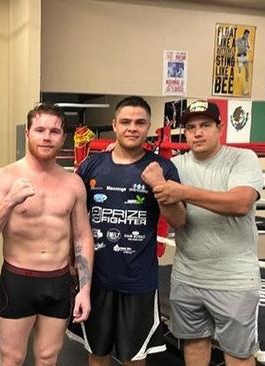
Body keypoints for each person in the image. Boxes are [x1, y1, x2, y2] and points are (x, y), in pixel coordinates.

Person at [144, 100, 263, 366]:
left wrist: (183, 192)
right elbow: (177, 221)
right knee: (194, 346)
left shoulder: (242, 158)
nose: (198, 133)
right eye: (191, 127)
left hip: (234, 280)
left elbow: (240, 203)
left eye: (205, 125)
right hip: (188, 276)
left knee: (239, 355)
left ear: (219, 128)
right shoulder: (176, 165)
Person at [0, 103, 94, 366]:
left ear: (63, 137)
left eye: (54, 131)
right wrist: (10, 202)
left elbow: (83, 236)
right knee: (11, 358)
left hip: (58, 282)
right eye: (40, 129)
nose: (47, 136)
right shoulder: (5, 178)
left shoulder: (73, 183)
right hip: (19, 281)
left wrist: (84, 290)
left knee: (48, 357)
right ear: (27, 133)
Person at [76, 96, 185, 366]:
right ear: (114, 125)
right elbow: (74, 216)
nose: (132, 128)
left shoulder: (163, 168)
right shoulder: (92, 165)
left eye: (139, 122)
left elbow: (179, 220)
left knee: (134, 357)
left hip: (139, 281)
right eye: (125, 122)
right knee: (97, 352)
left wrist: (159, 186)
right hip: (97, 279)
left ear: (149, 127)